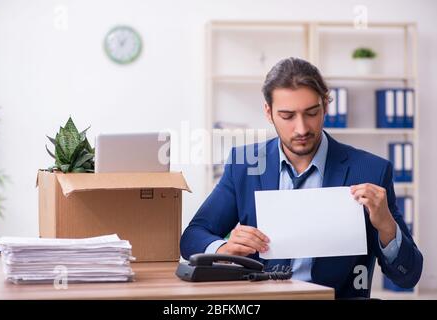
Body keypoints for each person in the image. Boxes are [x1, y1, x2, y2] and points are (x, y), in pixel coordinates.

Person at [180, 57, 422, 298]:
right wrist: (225, 248)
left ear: (326, 106)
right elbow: (193, 236)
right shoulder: (244, 164)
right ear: (268, 112)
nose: (302, 129)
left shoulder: (371, 170)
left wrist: (387, 226)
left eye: (311, 113)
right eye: (287, 116)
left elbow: (407, 275)